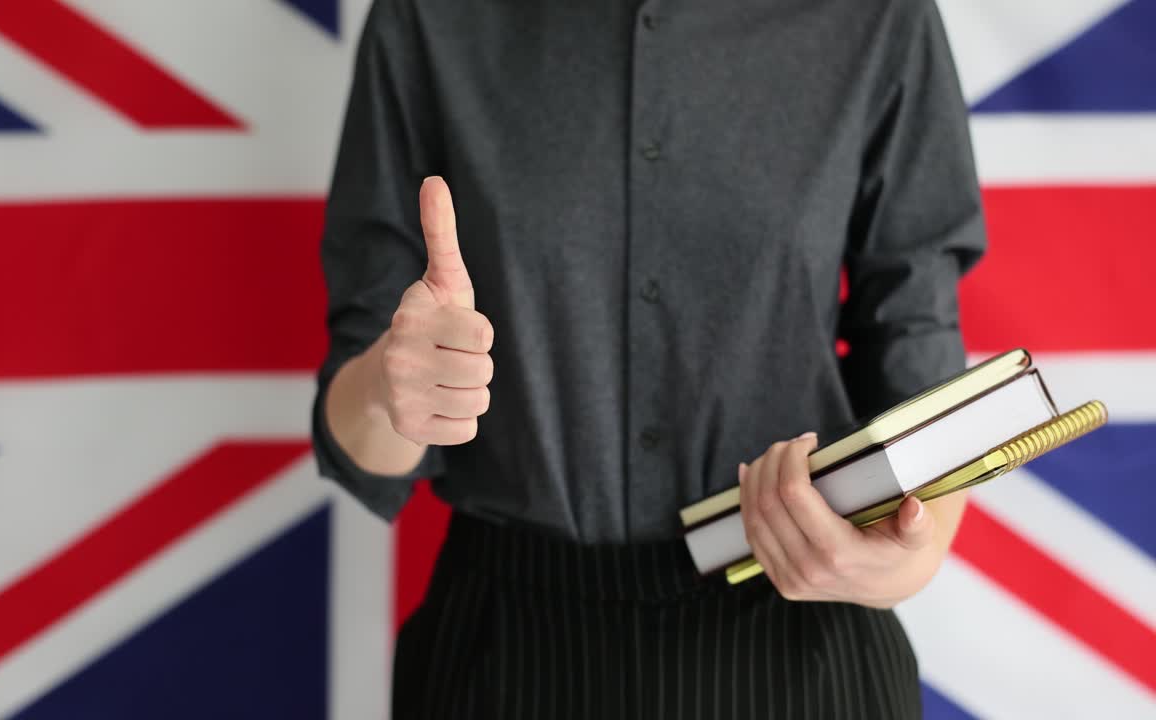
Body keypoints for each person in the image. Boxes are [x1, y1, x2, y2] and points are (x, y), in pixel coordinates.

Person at [313, 0, 985, 717]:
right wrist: (394, 387)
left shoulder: (877, 14)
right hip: (509, 652)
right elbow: (358, 427)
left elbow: (917, 350)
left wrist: (908, 559)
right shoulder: (428, 15)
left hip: (800, 636)